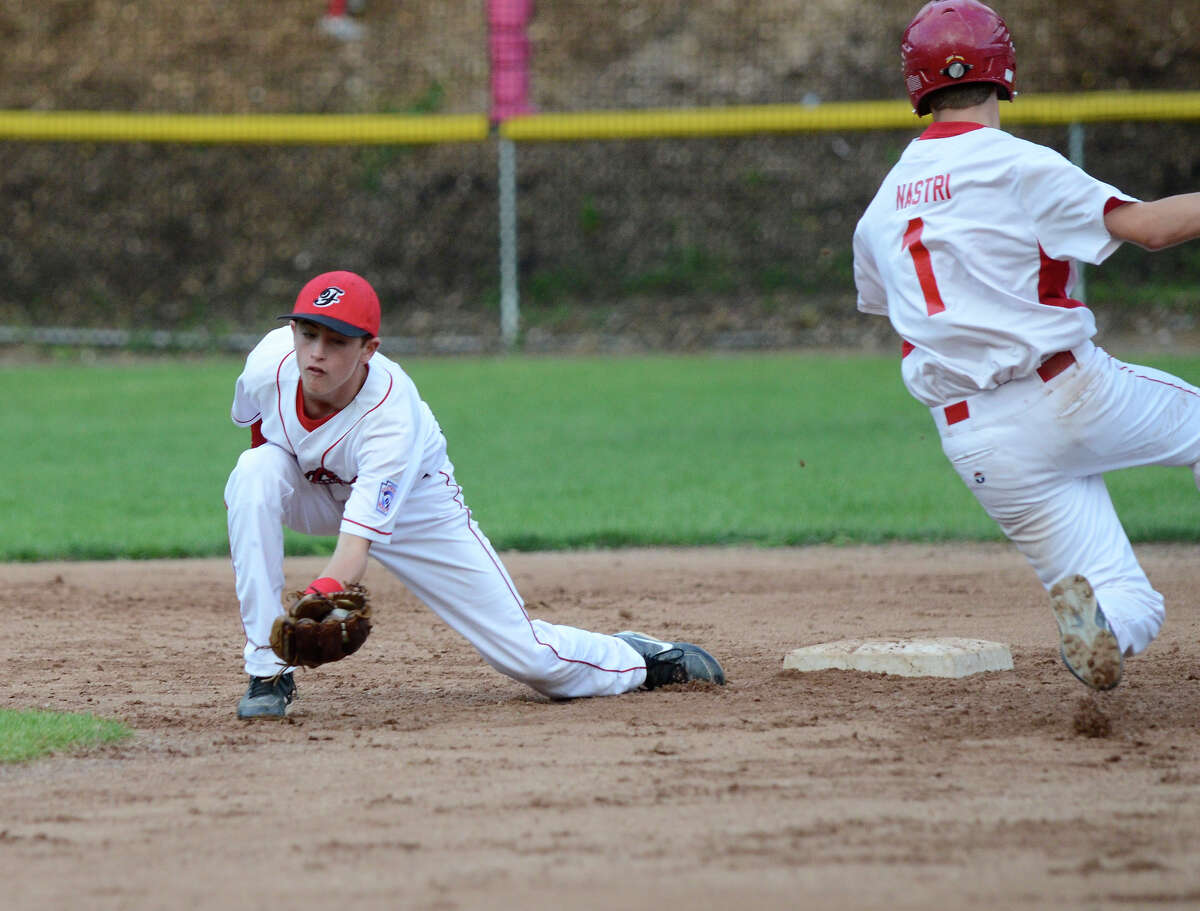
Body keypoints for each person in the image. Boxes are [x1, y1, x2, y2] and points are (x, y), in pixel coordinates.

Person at [852, 0, 1200, 691]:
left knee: (1128, 602)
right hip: (1068, 391)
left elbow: (885, 303)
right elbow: (1151, 228)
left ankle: (1101, 629)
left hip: (977, 439)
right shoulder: (1018, 165)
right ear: (1004, 68)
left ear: (916, 85)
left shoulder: (881, 207)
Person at [225, 270, 725, 718]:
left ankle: (637, 658)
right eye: (308, 334)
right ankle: (267, 671)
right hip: (314, 487)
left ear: (369, 349)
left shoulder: (391, 415)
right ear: (291, 331)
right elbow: (261, 435)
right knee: (253, 472)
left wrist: (320, 597)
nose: (316, 352)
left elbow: (355, 548)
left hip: (415, 507)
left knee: (527, 659)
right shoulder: (269, 362)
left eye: (336, 341)